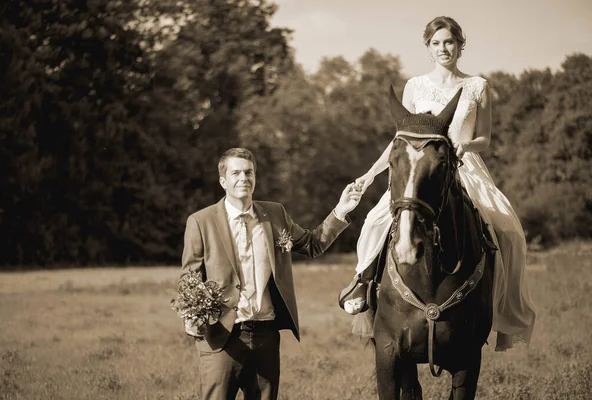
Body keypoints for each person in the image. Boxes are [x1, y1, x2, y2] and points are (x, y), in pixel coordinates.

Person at [338, 16, 536, 350]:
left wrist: (465, 145)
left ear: (460, 45)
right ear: (428, 48)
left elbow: (485, 137)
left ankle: (503, 310)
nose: (443, 48)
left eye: (449, 42)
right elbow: (399, 140)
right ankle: (363, 286)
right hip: (421, 171)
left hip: (463, 165)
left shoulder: (478, 86)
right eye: (436, 43)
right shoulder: (414, 86)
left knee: (512, 233)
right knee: (374, 221)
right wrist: (371, 174)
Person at [181, 147, 362, 400]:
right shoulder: (201, 221)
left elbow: (312, 244)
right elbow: (189, 278)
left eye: (249, 172)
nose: (243, 178)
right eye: (236, 173)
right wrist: (192, 317)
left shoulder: (275, 214)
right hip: (222, 338)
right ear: (223, 181)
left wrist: (341, 210)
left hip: (266, 335)